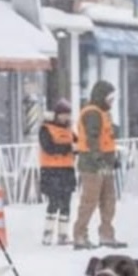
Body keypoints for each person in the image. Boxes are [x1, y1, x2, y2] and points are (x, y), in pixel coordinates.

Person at [73, 80, 126, 250]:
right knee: (90, 200)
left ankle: (107, 235)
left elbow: (106, 138)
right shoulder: (92, 113)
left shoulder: (103, 113)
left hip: (104, 163)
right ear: (101, 96)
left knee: (108, 200)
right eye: (109, 97)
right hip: (92, 164)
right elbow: (92, 139)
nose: (112, 101)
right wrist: (100, 160)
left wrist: (111, 159)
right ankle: (80, 235)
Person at [38, 99, 77, 246]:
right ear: (56, 114)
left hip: (67, 169)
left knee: (66, 202)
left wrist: (76, 148)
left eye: (68, 114)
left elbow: (77, 143)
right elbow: (49, 147)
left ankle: (63, 234)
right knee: (53, 202)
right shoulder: (46, 128)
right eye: (63, 114)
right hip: (51, 170)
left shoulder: (69, 130)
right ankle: (47, 234)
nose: (65, 117)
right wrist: (69, 148)